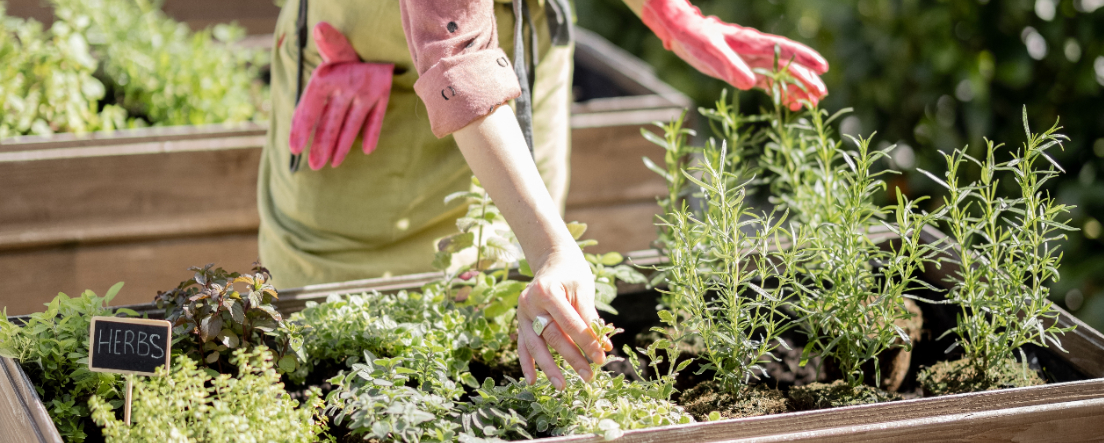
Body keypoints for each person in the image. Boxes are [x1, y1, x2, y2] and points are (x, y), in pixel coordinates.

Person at [258, 0, 828, 390]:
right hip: (364, 78)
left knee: (500, 286)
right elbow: (462, 61)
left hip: (514, 55)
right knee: (340, 352)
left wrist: (673, 17)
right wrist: (552, 247)